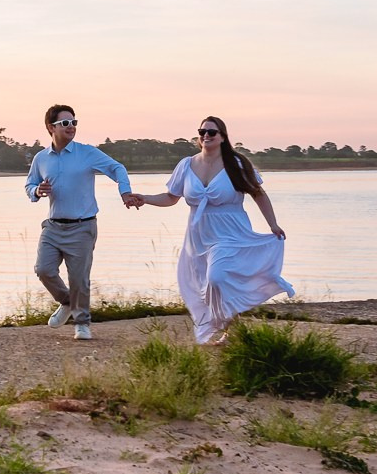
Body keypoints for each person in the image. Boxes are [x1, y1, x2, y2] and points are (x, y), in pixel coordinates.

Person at [130, 115, 294, 344]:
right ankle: (232, 329)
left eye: (211, 132)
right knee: (206, 286)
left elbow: (258, 193)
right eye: (202, 131)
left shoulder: (236, 164)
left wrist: (272, 224)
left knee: (217, 277)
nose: (206, 135)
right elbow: (171, 197)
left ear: (223, 137)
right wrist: (144, 198)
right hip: (198, 235)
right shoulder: (187, 165)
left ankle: (226, 324)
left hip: (231, 232)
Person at [24, 104, 135, 340]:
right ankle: (67, 302)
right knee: (43, 269)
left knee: (78, 278)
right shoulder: (41, 158)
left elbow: (117, 168)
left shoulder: (87, 153)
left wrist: (125, 192)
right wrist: (37, 190)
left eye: (74, 122)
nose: (71, 127)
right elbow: (29, 185)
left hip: (83, 226)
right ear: (50, 127)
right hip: (53, 226)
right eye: (65, 123)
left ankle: (82, 323)